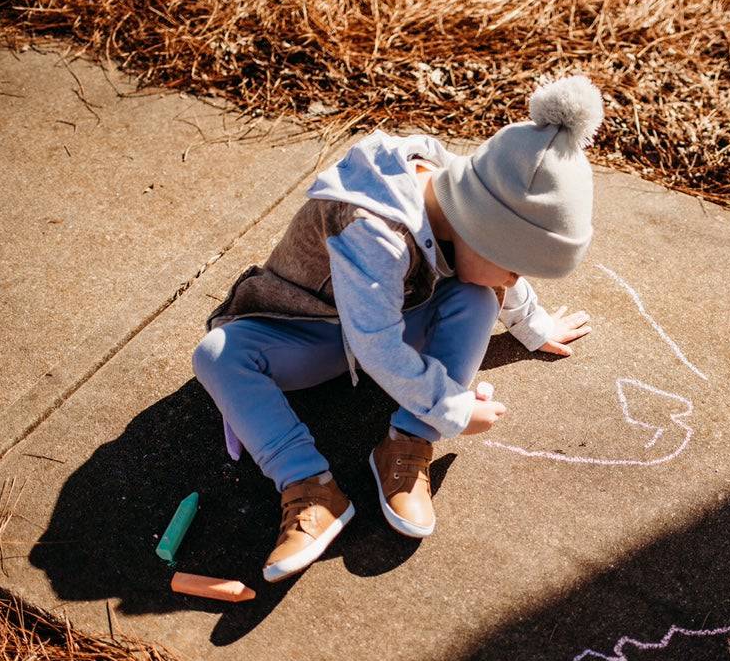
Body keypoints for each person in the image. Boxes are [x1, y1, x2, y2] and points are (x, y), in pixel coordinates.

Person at [191, 73, 604, 582]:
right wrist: (452, 408)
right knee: (217, 354)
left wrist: (531, 322)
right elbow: (376, 344)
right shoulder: (373, 228)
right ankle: (308, 485)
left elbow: (490, 268)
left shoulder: (463, 197)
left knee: (478, 296)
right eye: (514, 266)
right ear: (479, 230)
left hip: (387, 320)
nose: (515, 280)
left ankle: (407, 441)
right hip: (304, 330)